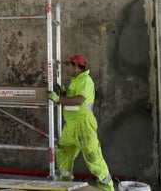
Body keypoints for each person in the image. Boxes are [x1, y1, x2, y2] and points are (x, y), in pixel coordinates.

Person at [48, 54, 114, 191]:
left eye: (69, 65)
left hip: (83, 125)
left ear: (77, 66)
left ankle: (107, 187)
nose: (67, 68)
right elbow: (73, 100)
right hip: (71, 125)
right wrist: (64, 94)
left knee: (93, 157)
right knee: (64, 152)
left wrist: (58, 99)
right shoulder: (76, 80)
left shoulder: (85, 80)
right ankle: (65, 183)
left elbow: (79, 100)